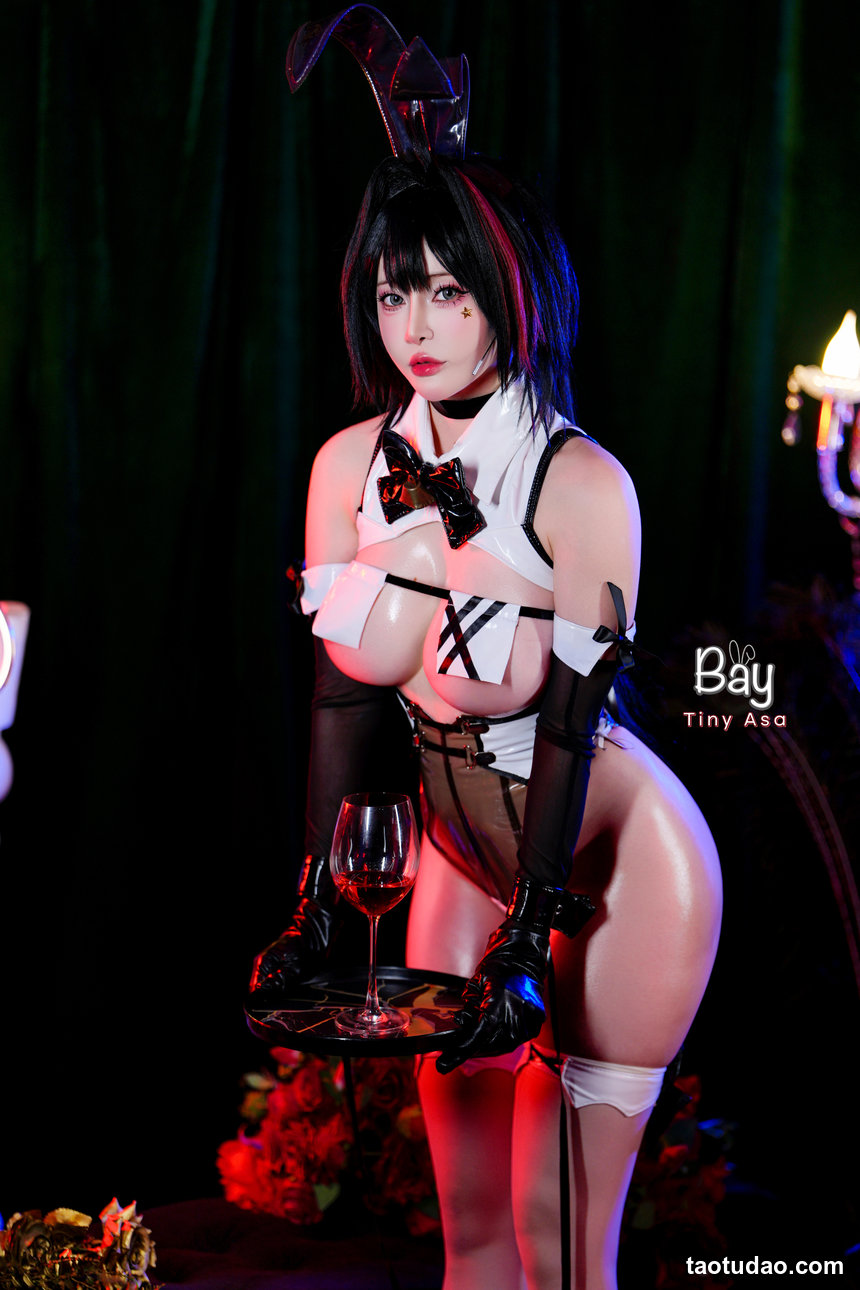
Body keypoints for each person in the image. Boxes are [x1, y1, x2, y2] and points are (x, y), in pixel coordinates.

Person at [251, 13, 722, 1289]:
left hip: (616, 863)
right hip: (460, 856)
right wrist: (313, 900)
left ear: (509, 292)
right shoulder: (347, 468)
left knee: (557, 1244)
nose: (415, 324)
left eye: (446, 291)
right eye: (392, 291)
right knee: (467, 1241)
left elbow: (565, 726)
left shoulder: (582, 486)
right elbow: (343, 703)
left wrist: (529, 945)